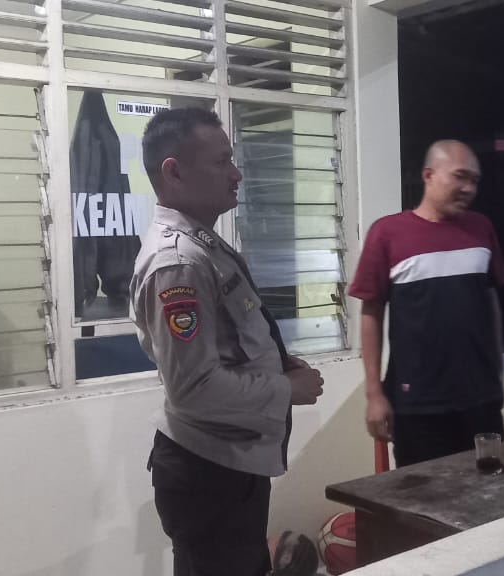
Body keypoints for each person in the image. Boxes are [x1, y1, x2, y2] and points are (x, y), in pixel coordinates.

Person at [130, 107, 325, 576]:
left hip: (227, 464)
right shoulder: (178, 262)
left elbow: (226, 344)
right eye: (221, 162)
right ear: (174, 172)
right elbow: (193, 388)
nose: (236, 174)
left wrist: (275, 363)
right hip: (208, 472)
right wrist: (285, 389)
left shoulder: (203, 244)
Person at [348, 140, 504, 467]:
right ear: (429, 175)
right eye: (460, 176)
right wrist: (374, 395)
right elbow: (371, 312)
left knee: (491, 489)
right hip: (417, 401)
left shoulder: (481, 228)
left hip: (480, 397)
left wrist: (497, 372)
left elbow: (490, 302)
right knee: (422, 493)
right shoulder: (388, 232)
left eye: (475, 180)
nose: (469, 188)